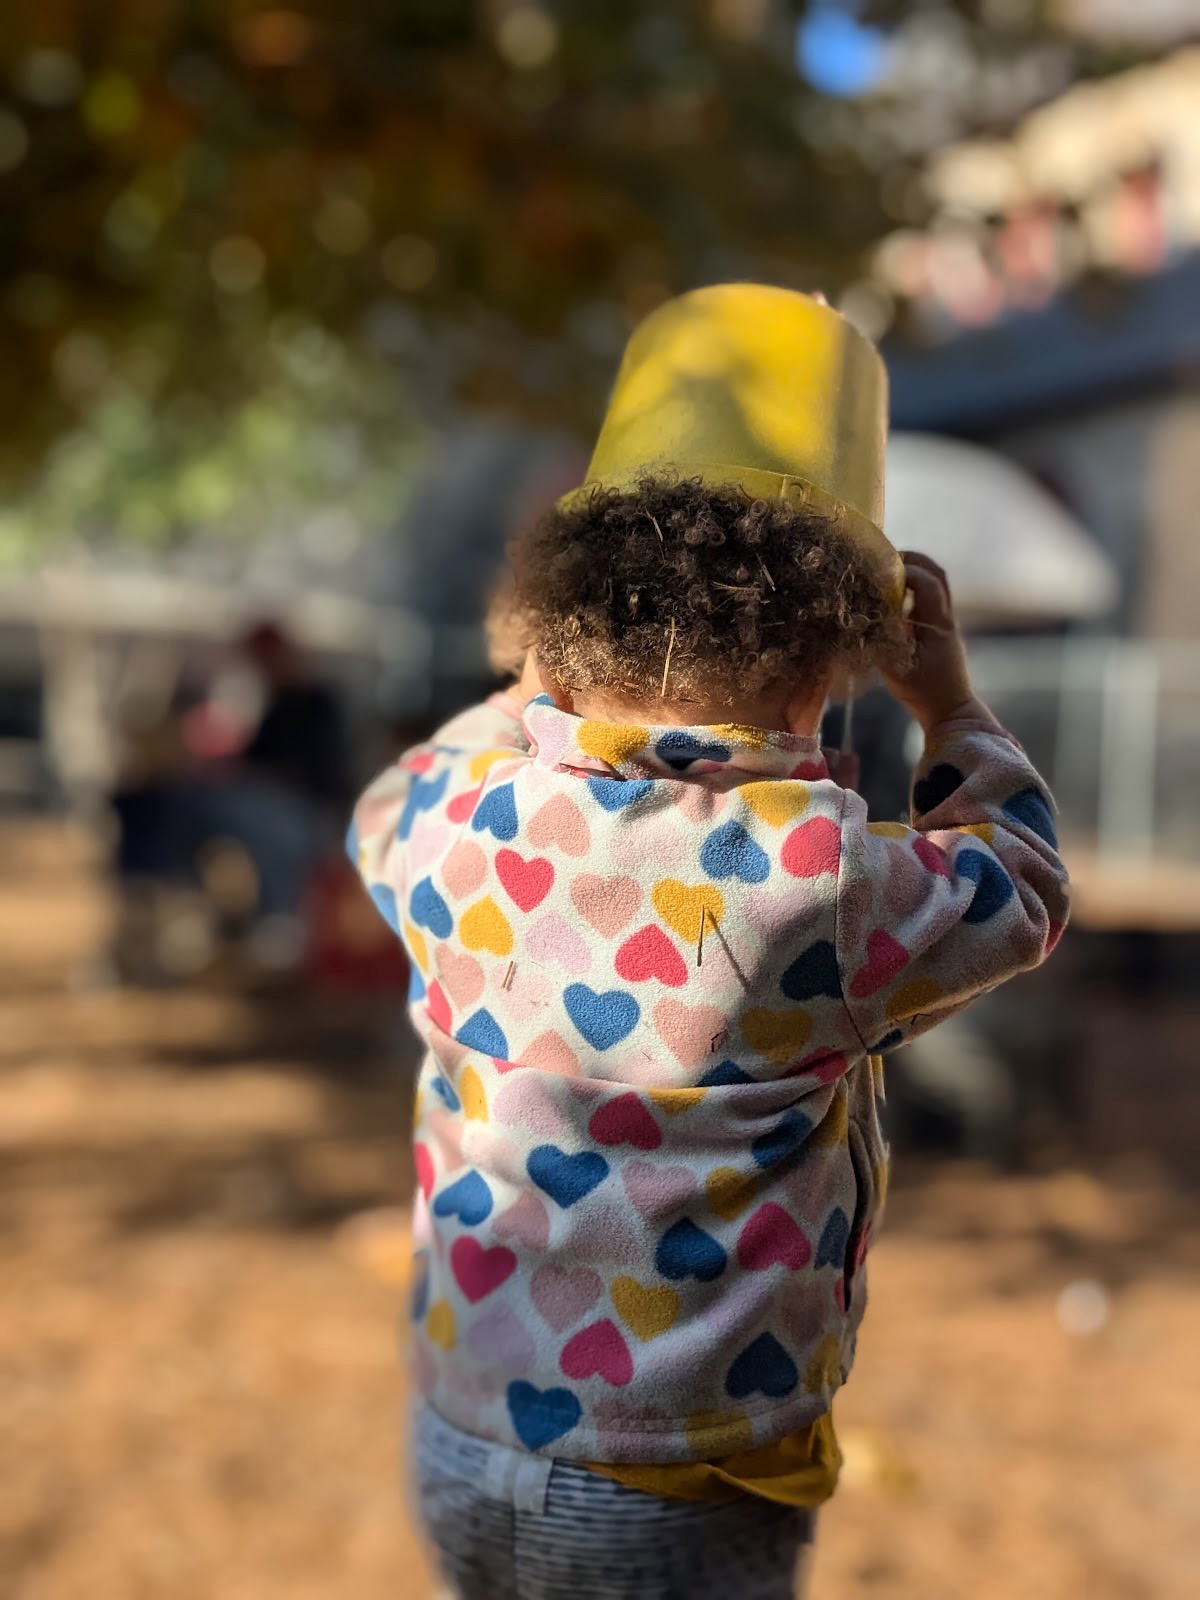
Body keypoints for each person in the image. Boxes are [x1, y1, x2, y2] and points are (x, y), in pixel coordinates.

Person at [349, 289, 1069, 1599]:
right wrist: (953, 707)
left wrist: (522, 699)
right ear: (834, 671)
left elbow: (384, 803)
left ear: (561, 628)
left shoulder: (454, 811)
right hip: (675, 1476)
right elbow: (1022, 887)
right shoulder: (827, 882)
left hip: (457, 1425)